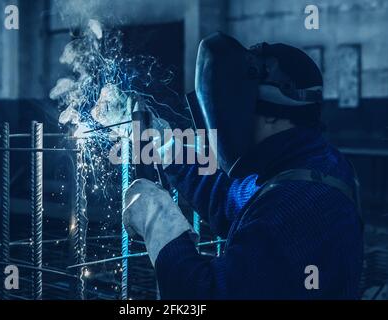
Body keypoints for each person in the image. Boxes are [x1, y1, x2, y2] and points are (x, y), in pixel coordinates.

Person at [123, 33, 364, 299]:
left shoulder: (299, 206)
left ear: (272, 113)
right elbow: (228, 200)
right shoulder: (306, 164)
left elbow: (202, 295)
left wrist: (157, 217)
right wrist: (168, 150)